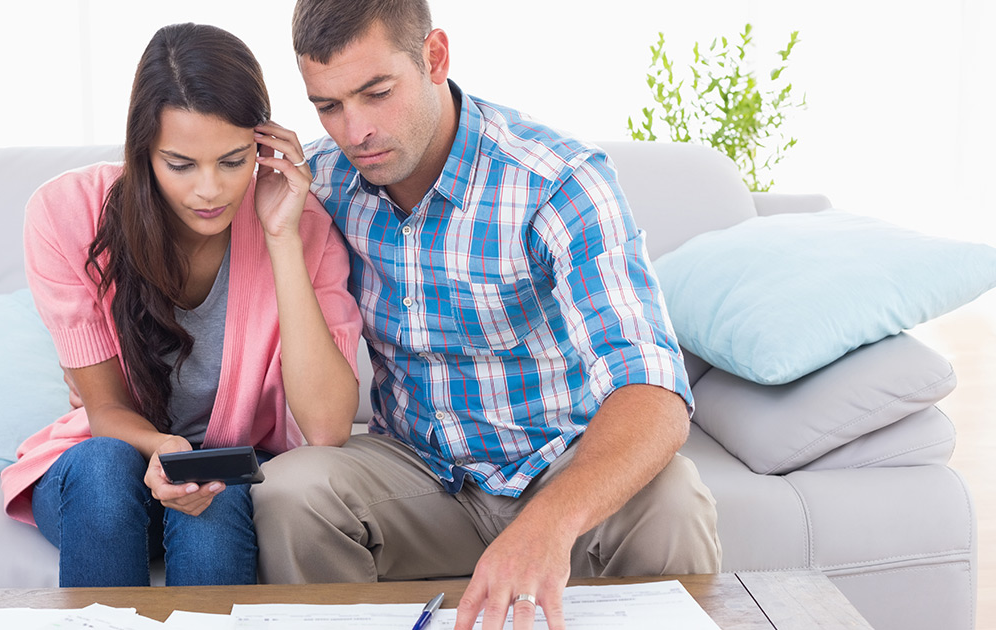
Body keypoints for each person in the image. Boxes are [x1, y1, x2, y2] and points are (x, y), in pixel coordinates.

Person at [251, 1, 721, 627]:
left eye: (376, 93)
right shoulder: (321, 184)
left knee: (675, 499)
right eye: (328, 106)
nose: (354, 131)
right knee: (290, 491)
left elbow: (653, 389)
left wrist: (548, 525)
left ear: (435, 57)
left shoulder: (557, 182)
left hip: (562, 465)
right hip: (418, 477)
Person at [0, 22, 362, 587]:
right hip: (112, 477)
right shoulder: (66, 214)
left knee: (212, 490)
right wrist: (165, 448)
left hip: (228, 478)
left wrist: (283, 237)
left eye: (234, 160)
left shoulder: (302, 225)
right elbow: (105, 413)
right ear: (143, 150)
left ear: (264, 147)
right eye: (181, 164)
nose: (210, 190)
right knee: (104, 466)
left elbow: (326, 427)